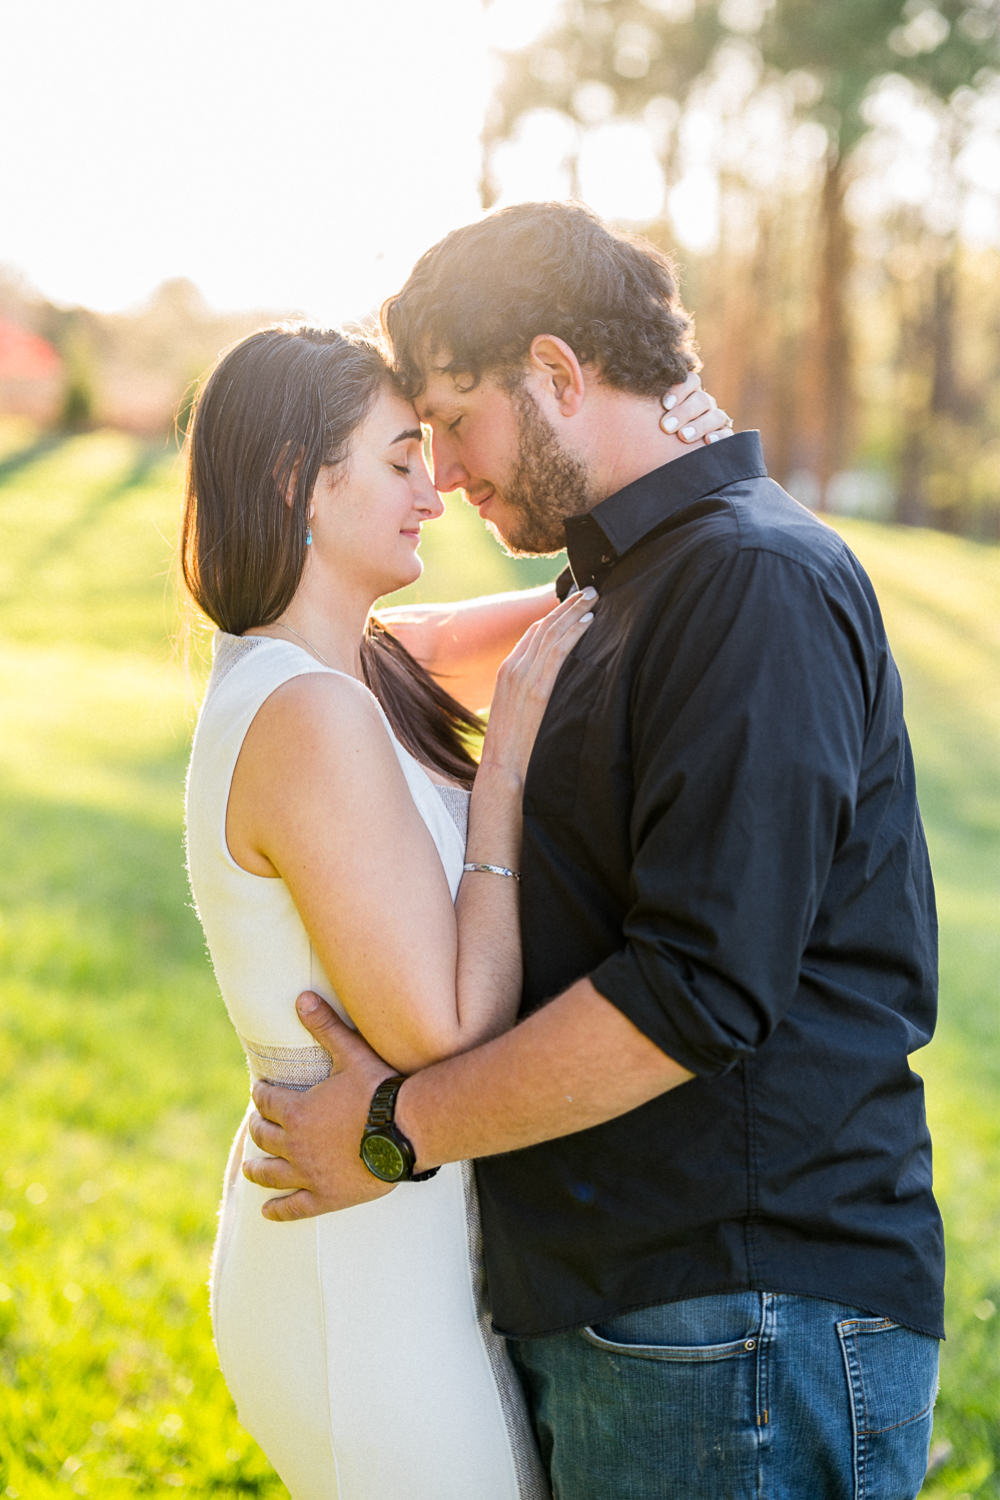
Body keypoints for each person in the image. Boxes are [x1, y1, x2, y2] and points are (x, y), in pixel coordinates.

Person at [244, 203, 945, 1500]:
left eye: (457, 418)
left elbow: (696, 991)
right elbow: (408, 644)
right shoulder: (634, 581)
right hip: (661, 1308)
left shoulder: (749, 584)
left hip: (736, 1310)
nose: (445, 470)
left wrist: (394, 1131)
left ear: (560, 373)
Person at [181, 320, 724, 1499]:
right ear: (295, 484)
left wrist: (694, 461)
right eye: (397, 460)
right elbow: (447, 1032)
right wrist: (510, 760)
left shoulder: (366, 665)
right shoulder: (304, 717)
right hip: (357, 1274)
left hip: (414, 1236)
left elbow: (592, 601)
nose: (434, 494)